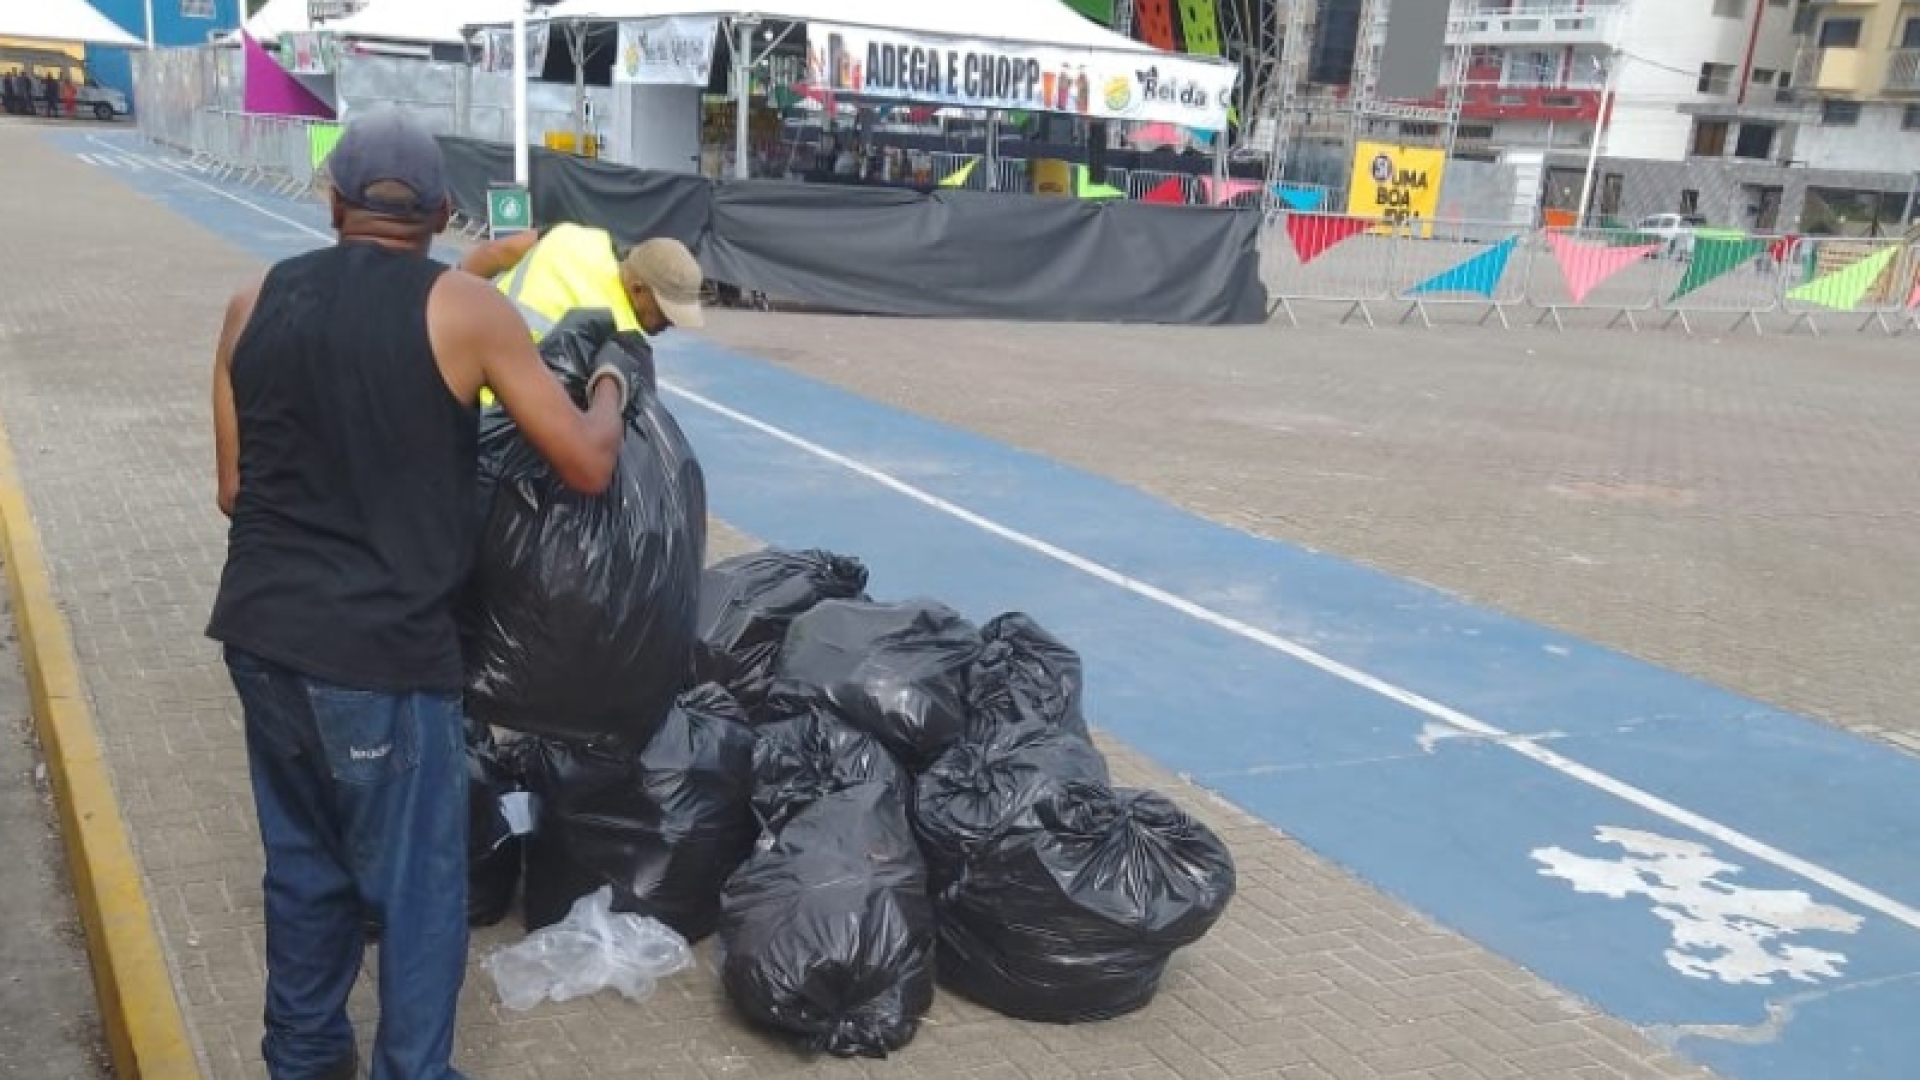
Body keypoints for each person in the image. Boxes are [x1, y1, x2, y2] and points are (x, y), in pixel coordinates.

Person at [207, 110, 644, 1080]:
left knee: (307, 870)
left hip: (262, 640)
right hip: (383, 660)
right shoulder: (465, 313)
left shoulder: (252, 301)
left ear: (332, 203)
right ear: (444, 212)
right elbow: (583, 464)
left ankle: (305, 1060)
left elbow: (234, 490)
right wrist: (612, 379)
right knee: (417, 892)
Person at [458, 221, 705, 340]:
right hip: (499, 415)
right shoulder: (623, 338)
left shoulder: (576, 238)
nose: (671, 323)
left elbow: (496, 253)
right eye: (666, 311)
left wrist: (445, 294)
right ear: (638, 289)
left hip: (460, 353)